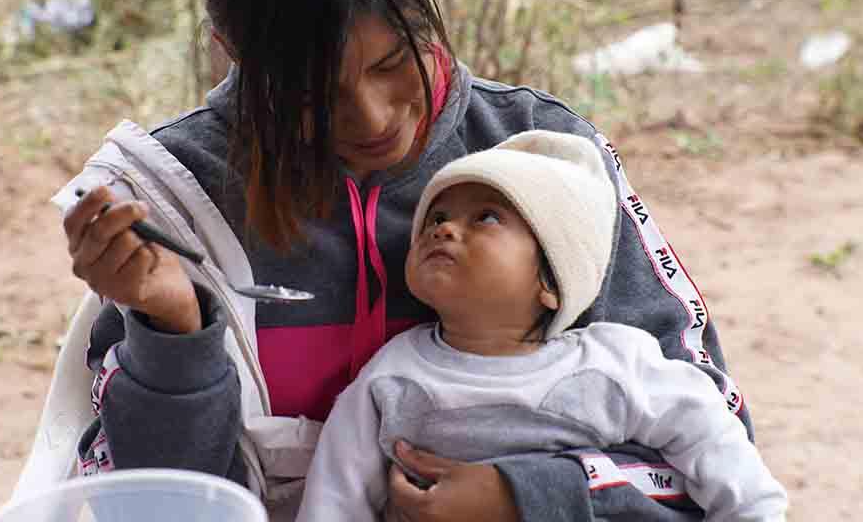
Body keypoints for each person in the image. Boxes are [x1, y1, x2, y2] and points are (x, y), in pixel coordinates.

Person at [57, 0, 752, 521]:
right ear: (231, 51)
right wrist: (172, 333)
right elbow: (157, 506)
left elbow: (715, 435)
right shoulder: (177, 199)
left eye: (393, 62)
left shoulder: (541, 157)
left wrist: (532, 496)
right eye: (310, 92)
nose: (373, 117)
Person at [295, 131, 788, 522]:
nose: (445, 228)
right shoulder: (392, 376)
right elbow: (336, 496)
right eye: (437, 217)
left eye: (486, 218)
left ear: (552, 280)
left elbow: (712, 441)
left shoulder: (611, 362)